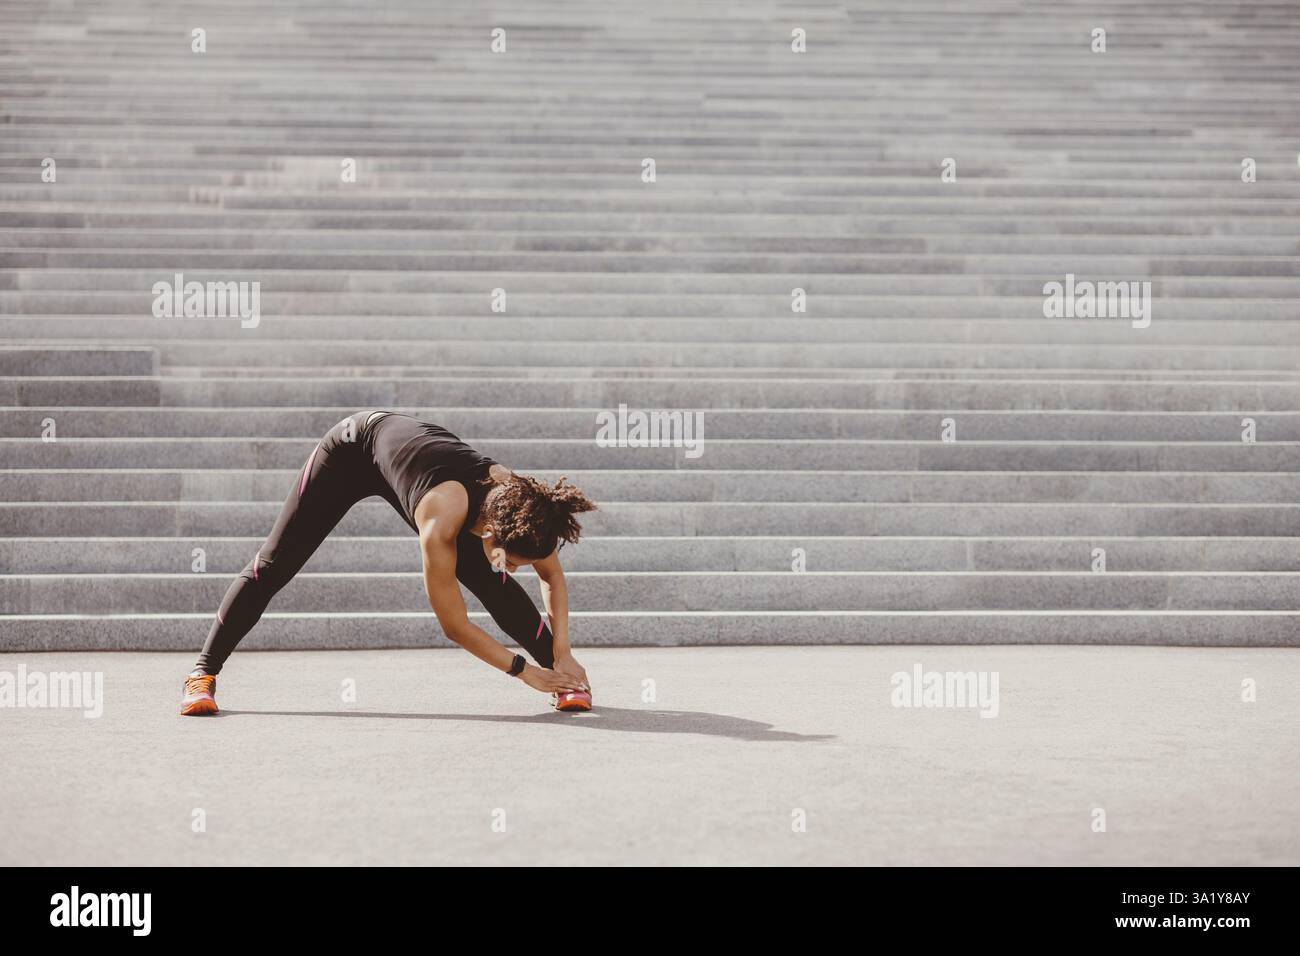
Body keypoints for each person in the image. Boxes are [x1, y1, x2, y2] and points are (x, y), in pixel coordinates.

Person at [179, 411, 596, 715]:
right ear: (489, 533)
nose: (518, 568)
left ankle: (562, 674)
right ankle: (203, 673)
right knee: (274, 564)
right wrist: (522, 672)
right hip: (349, 451)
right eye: (515, 560)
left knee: (491, 578)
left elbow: (552, 575)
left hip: (418, 460)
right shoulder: (441, 518)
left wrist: (563, 650)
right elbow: (454, 625)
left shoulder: (526, 508)